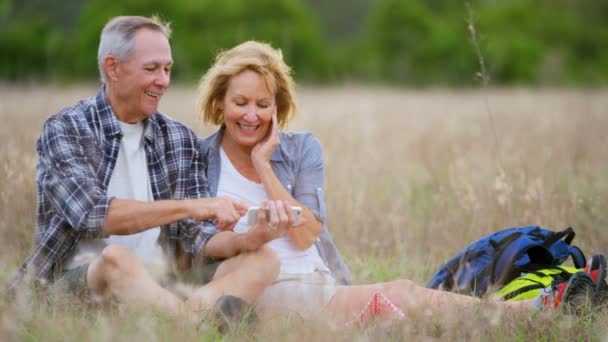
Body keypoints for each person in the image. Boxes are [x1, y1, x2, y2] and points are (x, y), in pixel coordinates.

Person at [196, 40, 607, 322]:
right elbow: (191, 248)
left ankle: (554, 294)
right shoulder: (199, 159)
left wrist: (265, 166)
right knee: (403, 295)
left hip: (319, 284)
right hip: (265, 292)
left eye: (263, 104)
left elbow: (306, 236)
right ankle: (542, 308)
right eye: (241, 103)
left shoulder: (300, 149)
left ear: (278, 107)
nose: (252, 115)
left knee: (405, 309)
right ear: (219, 102)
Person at [9, 17, 296, 324]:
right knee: (115, 259)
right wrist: (191, 206)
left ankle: (180, 318)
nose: (163, 80)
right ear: (113, 67)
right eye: (152, 69)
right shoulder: (67, 129)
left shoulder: (178, 138)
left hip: (161, 284)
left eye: (167, 69)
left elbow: (197, 239)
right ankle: (197, 324)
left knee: (264, 260)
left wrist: (251, 238)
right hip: (80, 283)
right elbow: (94, 215)